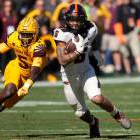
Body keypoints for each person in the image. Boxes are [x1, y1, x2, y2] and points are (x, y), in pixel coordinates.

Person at [53, 3, 131, 138]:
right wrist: (77, 51)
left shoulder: (91, 27)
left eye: (77, 20)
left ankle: (116, 114)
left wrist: (96, 55)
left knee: (97, 99)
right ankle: (94, 122)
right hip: (69, 78)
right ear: (66, 19)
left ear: (83, 19)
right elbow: (62, 60)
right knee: (80, 113)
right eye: (71, 19)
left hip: (85, 71)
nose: (74, 23)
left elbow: (92, 41)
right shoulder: (61, 33)